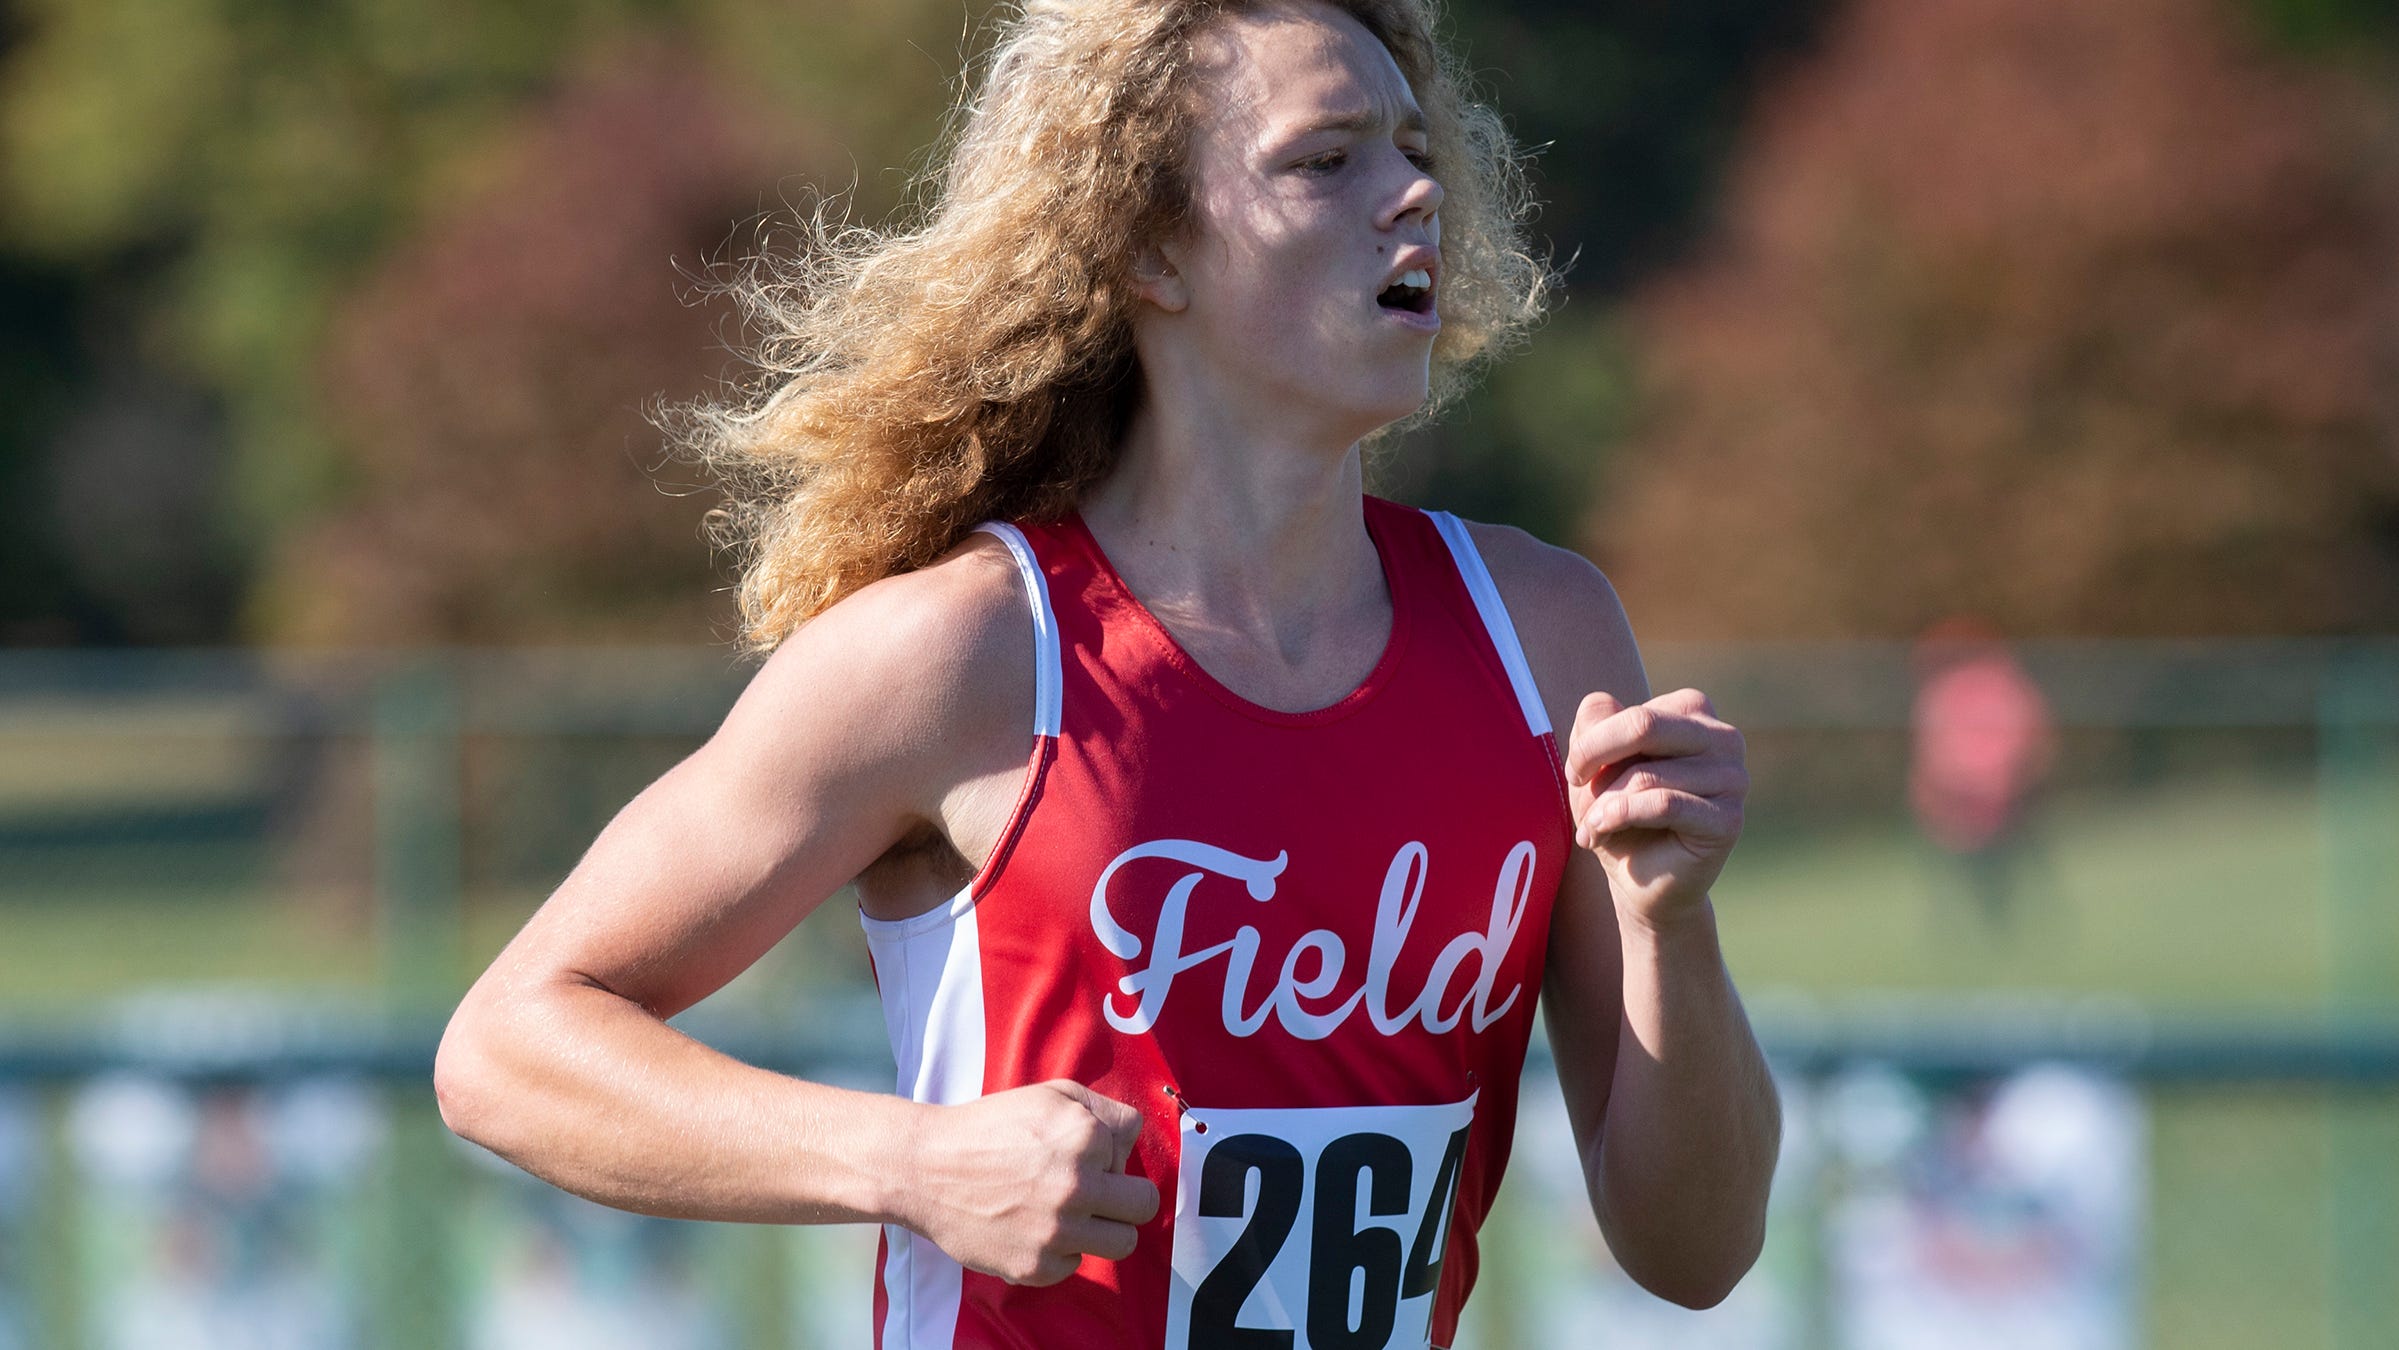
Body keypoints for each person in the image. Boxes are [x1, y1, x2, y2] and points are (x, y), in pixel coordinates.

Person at [433, 1, 1782, 1346]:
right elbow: (506, 1048)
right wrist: (911, 1162)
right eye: (1327, 159)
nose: (1415, 190)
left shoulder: (1542, 636)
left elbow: (1697, 1254)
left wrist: (1673, 924)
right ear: (1148, 244)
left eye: (1418, 146)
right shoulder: (960, 655)